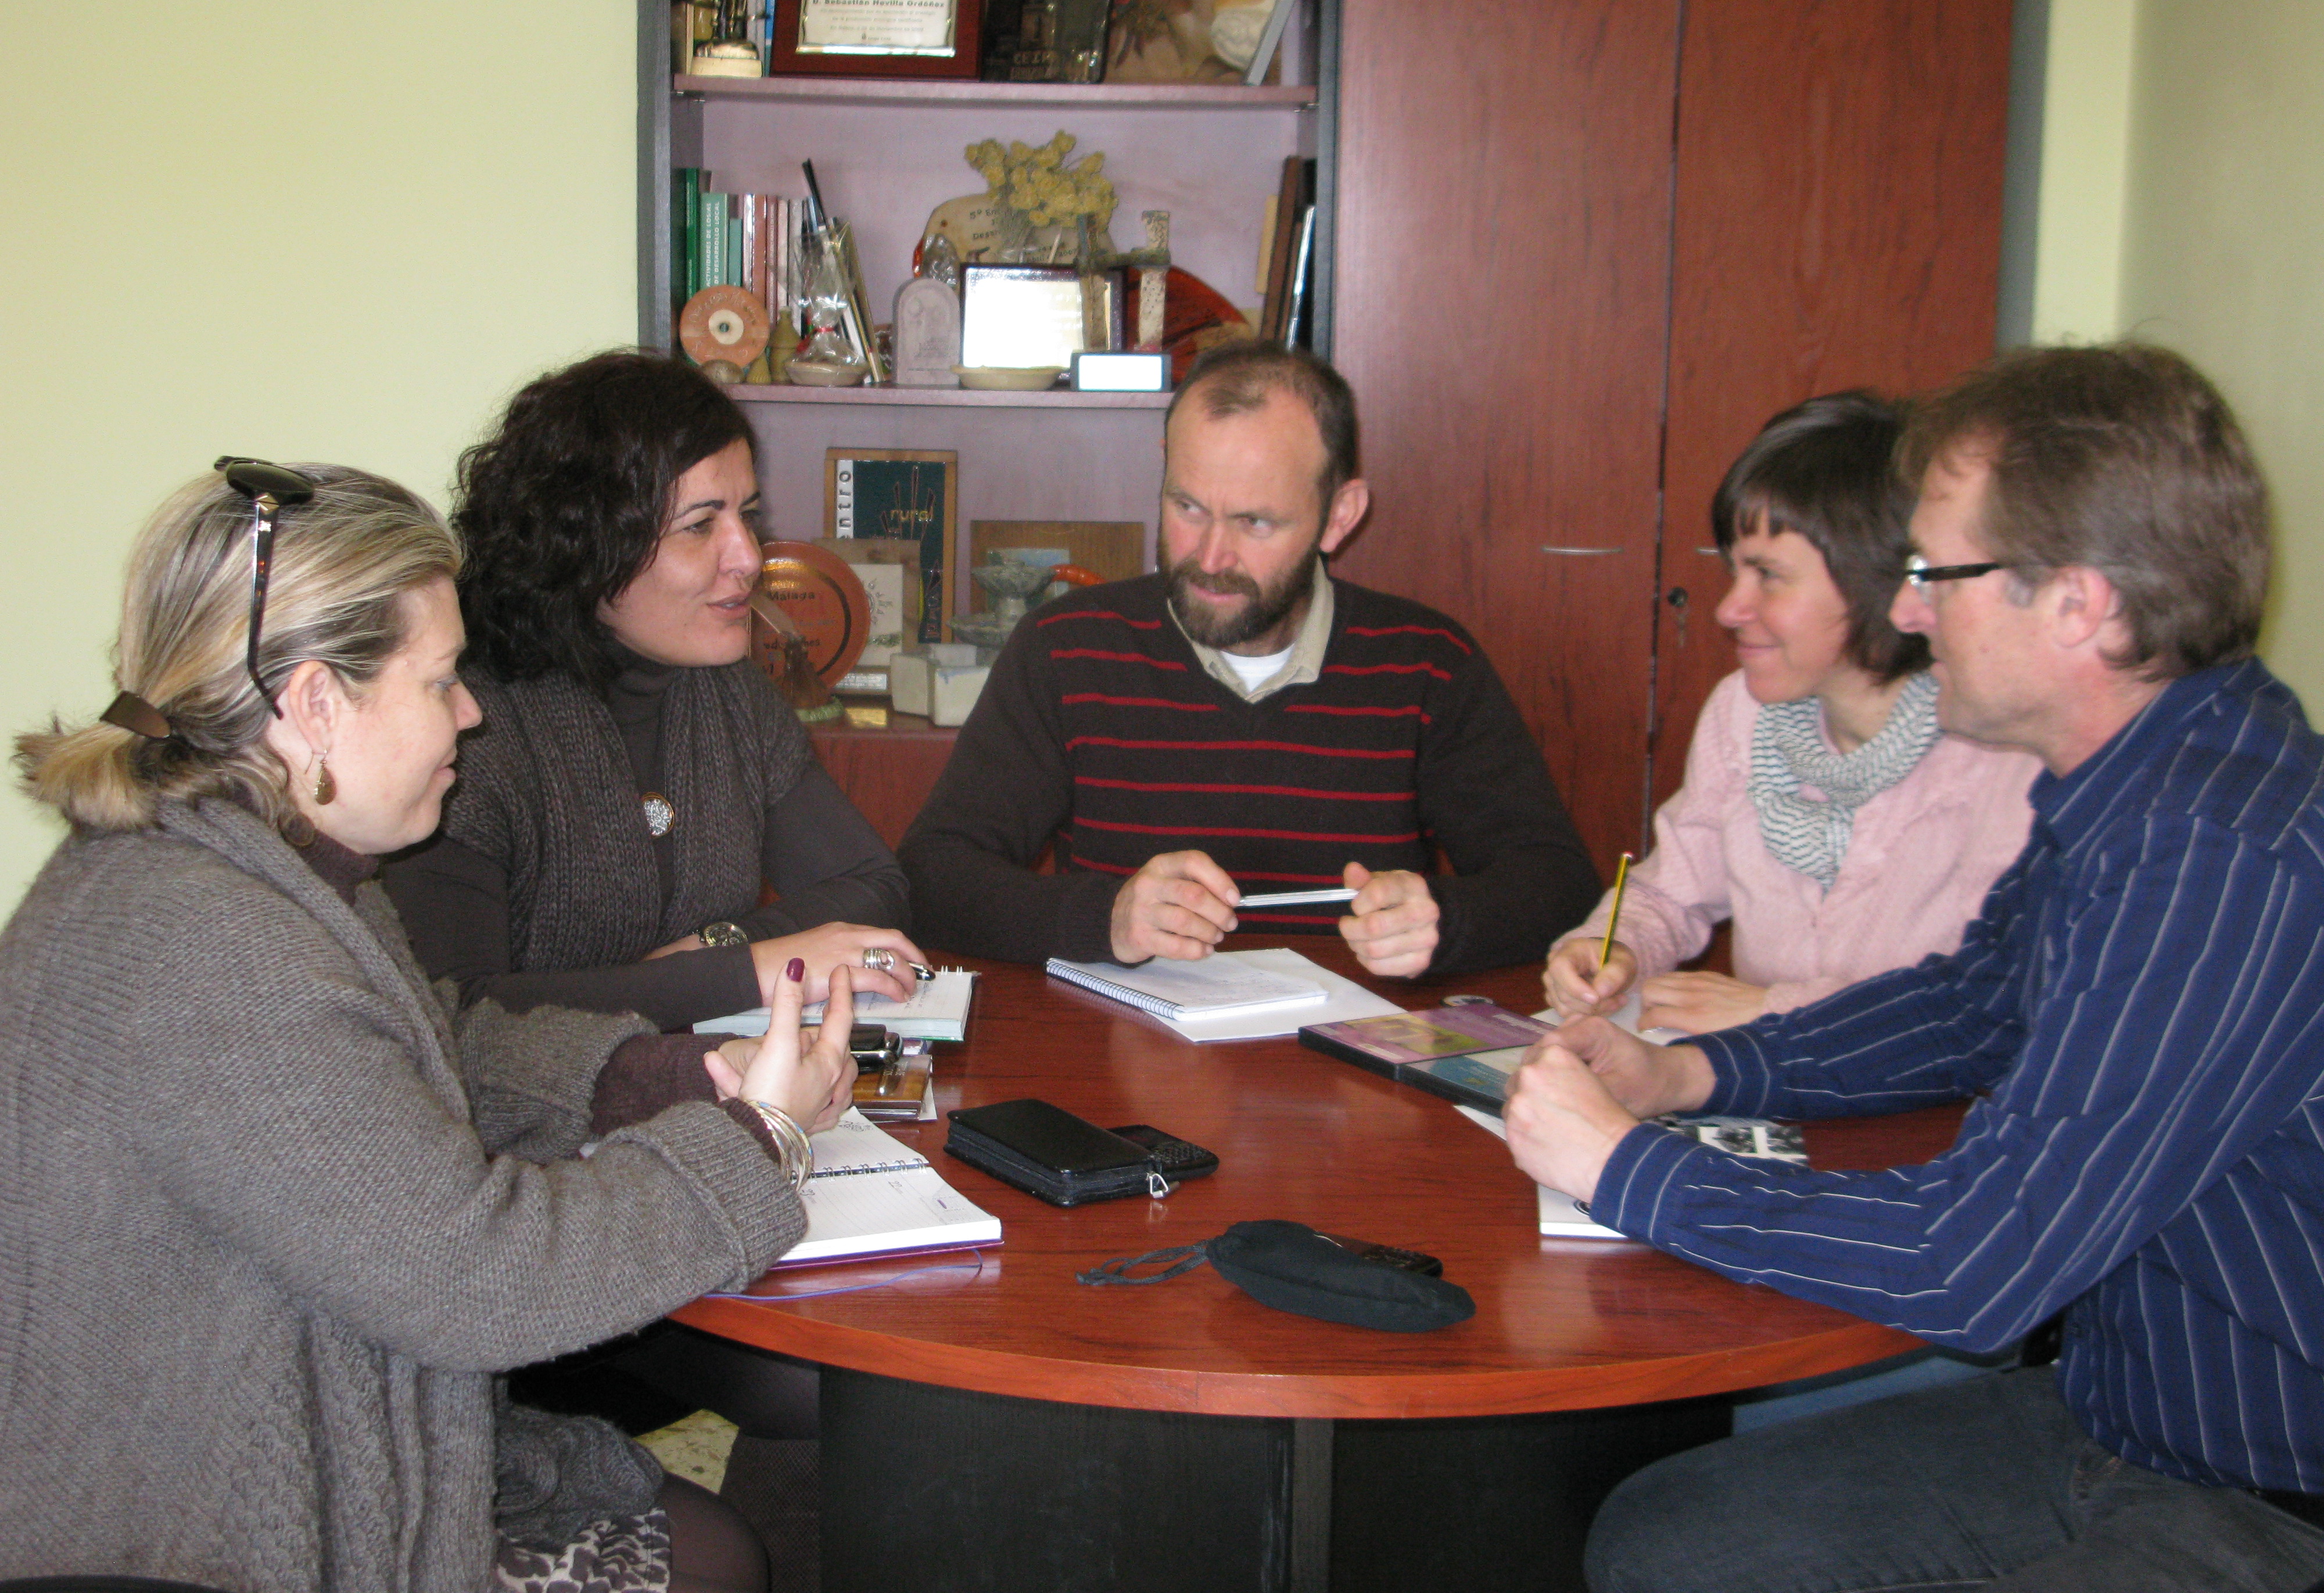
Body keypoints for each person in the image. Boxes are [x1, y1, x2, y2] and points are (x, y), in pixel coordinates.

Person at [1504, 344, 2324, 1592]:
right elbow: (1971, 1004)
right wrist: (1686, 1077)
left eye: (1939, 574)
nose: (1904, 609)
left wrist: (1627, 1168)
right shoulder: (2136, 778)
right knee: (1668, 1538)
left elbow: (1977, 1261)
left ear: (2080, 604)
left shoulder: (2214, 854)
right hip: (2119, 1425)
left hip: (2268, 1503)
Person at [0, 460, 859, 1592]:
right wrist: (762, 1145)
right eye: (442, 679)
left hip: (278, 1454)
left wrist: (671, 1076)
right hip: (220, 1539)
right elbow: (481, 1281)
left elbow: (417, 1054)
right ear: (314, 703)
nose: (471, 712)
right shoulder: (212, 945)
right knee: (712, 1561)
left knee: (716, 1543)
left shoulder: (246, 869)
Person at [898, 340, 1599, 977]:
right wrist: (1106, 918)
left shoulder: (1425, 665)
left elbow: (1558, 886)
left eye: (1255, 522)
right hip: (1118, 1068)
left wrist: (1443, 921)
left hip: (1348, 1081)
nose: (1210, 558)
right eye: (1187, 506)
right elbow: (933, 877)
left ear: (1339, 517)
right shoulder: (1067, 650)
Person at [384, 349, 925, 1029]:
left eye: (746, 515)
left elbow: (876, 888)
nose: (750, 558)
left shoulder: (730, 694)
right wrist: (744, 972)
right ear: (584, 543)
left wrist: (719, 945)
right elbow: (455, 1014)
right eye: (701, 526)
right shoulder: (466, 728)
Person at [1544, 393, 2039, 1035]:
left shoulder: (2002, 753)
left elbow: (1990, 998)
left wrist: (1776, 1011)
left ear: (1878, 581)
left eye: (1768, 576)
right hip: (1766, 1093)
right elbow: (1668, 892)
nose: (1728, 608)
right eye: (1732, 571)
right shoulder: (1741, 711)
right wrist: (1613, 948)